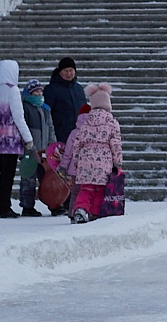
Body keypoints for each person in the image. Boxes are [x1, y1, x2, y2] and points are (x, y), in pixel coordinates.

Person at [66, 83, 122, 224]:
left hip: (85, 160)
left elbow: (77, 143)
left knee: (86, 188)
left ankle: (80, 209)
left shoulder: (85, 122)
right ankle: (94, 213)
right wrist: (118, 163)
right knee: (99, 189)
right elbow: (115, 145)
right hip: (103, 162)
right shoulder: (112, 123)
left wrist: (77, 161)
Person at [0, 59, 35, 218]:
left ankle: (2, 205)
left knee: (4, 173)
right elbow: (18, 117)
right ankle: (3, 207)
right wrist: (28, 138)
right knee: (9, 173)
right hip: (11, 137)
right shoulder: (13, 90)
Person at [19, 78, 56, 217]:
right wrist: (28, 146)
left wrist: (52, 144)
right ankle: (27, 206)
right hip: (30, 149)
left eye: (40, 90)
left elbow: (50, 127)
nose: (39, 93)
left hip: (44, 150)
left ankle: (54, 204)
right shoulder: (25, 107)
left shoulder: (45, 108)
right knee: (28, 178)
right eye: (35, 91)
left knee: (48, 178)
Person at [44, 56, 86, 143]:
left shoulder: (79, 89)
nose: (69, 74)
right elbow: (46, 112)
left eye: (71, 70)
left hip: (79, 134)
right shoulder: (51, 89)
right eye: (66, 71)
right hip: (60, 134)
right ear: (60, 72)